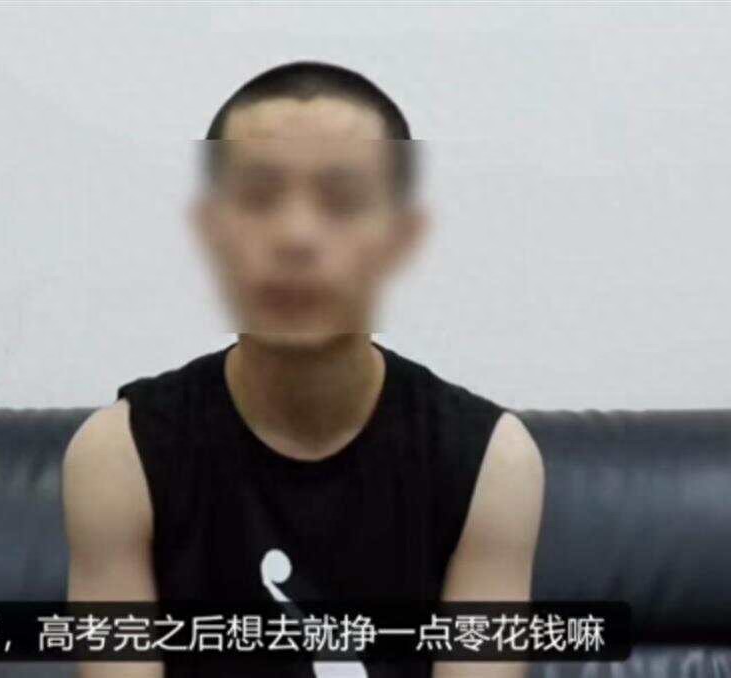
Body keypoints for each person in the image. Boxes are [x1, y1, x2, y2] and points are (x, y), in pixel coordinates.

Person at [62, 60, 545, 678]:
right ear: (211, 232)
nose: (296, 236)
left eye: (342, 202)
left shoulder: (492, 463)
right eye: (257, 199)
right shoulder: (118, 454)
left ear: (401, 237)